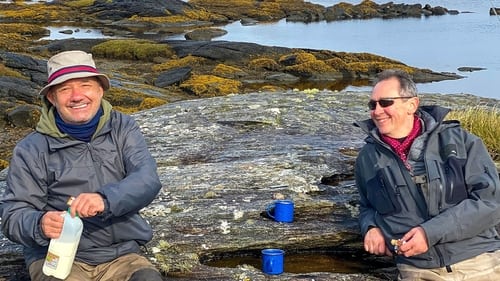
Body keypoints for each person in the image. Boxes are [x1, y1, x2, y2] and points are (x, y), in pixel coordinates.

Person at [0, 50, 164, 281]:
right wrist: (39, 224)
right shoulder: (32, 148)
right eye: (65, 89)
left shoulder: (123, 128)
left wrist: (104, 199)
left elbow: (146, 179)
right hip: (58, 256)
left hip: (122, 256)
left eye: (85, 85)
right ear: (52, 98)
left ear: (100, 89)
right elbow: (13, 214)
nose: (77, 96)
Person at [354, 69, 500, 280]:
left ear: (412, 105)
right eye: (372, 104)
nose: (377, 111)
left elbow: (491, 202)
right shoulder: (368, 158)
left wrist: (429, 233)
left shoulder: (460, 141)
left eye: (385, 102)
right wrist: (370, 226)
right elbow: (366, 205)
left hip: (478, 260)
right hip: (418, 269)